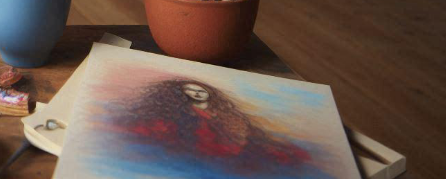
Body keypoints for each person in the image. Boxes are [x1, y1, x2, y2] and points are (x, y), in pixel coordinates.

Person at [115, 78, 312, 170]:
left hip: (239, 150)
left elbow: (243, 132)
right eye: (190, 91)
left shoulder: (225, 112)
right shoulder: (183, 115)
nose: (197, 92)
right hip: (206, 154)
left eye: (200, 89)